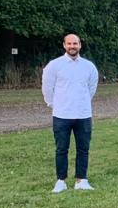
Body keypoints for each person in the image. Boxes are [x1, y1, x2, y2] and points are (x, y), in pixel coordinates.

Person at [41, 33, 99, 193]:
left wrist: (82, 102)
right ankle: (61, 181)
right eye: (69, 44)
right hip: (61, 115)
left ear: (80, 45)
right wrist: (54, 105)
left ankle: (81, 180)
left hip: (83, 114)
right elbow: (47, 88)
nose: (72, 46)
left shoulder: (89, 66)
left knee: (83, 148)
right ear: (64, 45)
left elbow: (91, 88)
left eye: (75, 43)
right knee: (61, 149)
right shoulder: (54, 65)